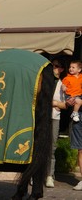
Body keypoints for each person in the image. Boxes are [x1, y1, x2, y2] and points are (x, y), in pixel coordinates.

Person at [45, 59, 67, 188]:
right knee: (38, 146)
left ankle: (49, 175)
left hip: (55, 118)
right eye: (52, 65)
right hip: (43, 117)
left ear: (61, 69)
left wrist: (55, 103)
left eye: (57, 66)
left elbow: (65, 105)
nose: (54, 68)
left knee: (52, 147)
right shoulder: (46, 81)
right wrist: (55, 104)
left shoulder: (62, 84)